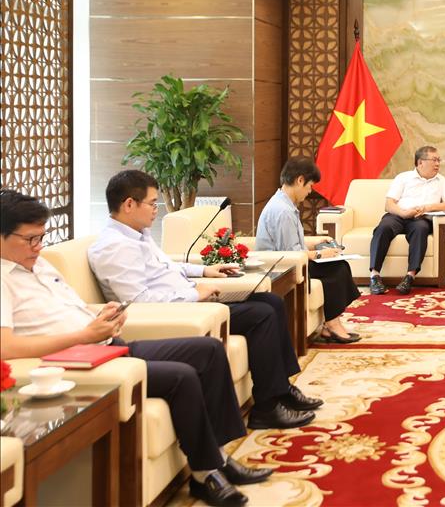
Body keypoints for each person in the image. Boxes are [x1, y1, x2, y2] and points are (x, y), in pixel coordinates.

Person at [0, 190, 269, 507]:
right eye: (30, 239)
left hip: (107, 345)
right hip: (81, 360)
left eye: (41, 237)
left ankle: (219, 457)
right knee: (181, 376)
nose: (38, 247)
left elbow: (67, 310)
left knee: (208, 350)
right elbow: (7, 347)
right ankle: (205, 474)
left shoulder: (40, 265)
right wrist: (83, 335)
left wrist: (101, 316)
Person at [87, 170, 321, 430]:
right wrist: (195, 294)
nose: (156, 209)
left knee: (271, 302)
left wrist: (204, 270)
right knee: (261, 314)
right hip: (182, 312)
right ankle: (267, 408)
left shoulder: (137, 234)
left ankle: (282, 390)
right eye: (152, 203)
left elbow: (166, 267)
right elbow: (138, 301)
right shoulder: (113, 247)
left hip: (192, 300)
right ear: (129, 204)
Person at [256, 157, 361, 344]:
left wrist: (315, 243)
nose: (310, 191)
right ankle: (332, 324)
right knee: (336, 270)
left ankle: (331, 323)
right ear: (300, 180)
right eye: (310, 186)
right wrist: (320, 254)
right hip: (282, 271)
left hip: (291, 263)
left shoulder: (285, 204)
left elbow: (292, 243)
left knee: (339, 266)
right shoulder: (282, 211)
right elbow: (291, 254)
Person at [369, 146, 445, 295]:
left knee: (421, 229)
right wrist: (403, 213)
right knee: (383, 228)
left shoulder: (440, 180)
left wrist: (428, 207)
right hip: (399, 215)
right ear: (420, 162)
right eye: (434, 160)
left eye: (439, 160)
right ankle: (374, 276)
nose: (438, 164)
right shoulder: (403, 177)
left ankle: (410, 276)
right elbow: (389, 204)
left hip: (421, 218)